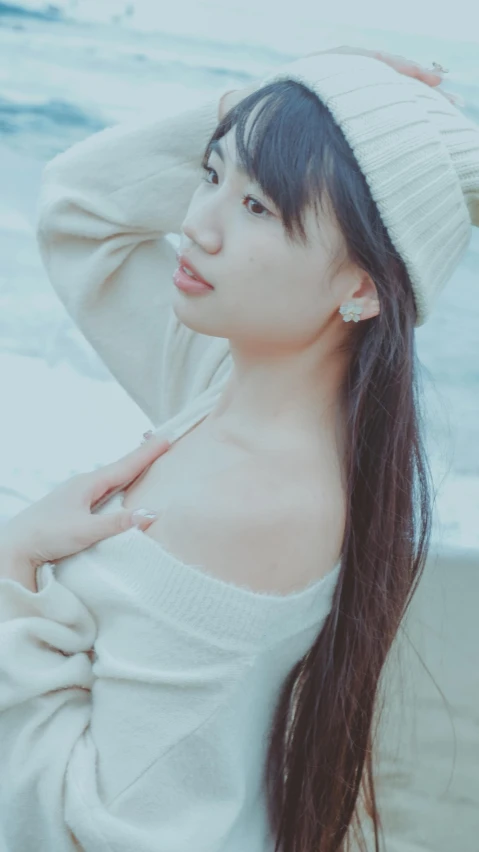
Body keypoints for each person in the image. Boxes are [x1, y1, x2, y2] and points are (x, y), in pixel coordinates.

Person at [0, 45, 477, 852]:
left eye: (260, 208)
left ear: (360, 287)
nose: (196, 223)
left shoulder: (253, 505)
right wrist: (264, 105)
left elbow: (96, 836)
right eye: (211, 174)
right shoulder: (237, 384)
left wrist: (13, 571)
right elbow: (82, 210)